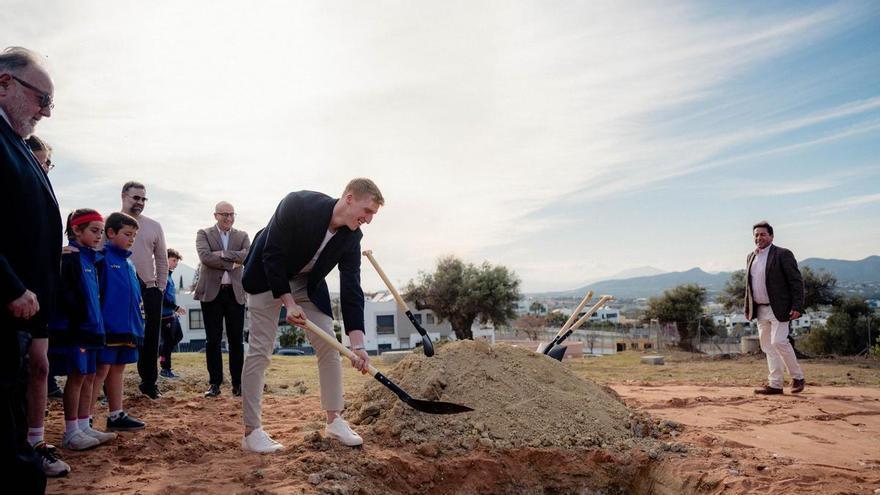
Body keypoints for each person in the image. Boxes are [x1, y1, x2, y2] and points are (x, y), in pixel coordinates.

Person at [240, 178, 383, 453]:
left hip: (307, 284)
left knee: (330, 347)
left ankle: (334, 420)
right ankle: (251, 432)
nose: (368, 219)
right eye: (367, 211)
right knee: (260, 350)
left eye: (373, 215)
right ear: (349, 198)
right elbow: (272, 254)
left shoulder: (352, 236)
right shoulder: (298, 204)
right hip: (267, 277)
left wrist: (358, 345)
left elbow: (351, 287)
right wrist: (288, 303)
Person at [1, 45, 58, 492]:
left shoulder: (14, 143)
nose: (47, 112)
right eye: (42, 99)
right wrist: (11, 285)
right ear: (5, 85)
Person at [48, 210, 116, 453]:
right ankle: (71, 431)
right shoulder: (69, 259)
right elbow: (66, 297)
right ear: (77, 231)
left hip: (92, 328)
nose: (99, 236)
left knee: (89, 376)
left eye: (101, 231)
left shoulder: (91, 259)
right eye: (94, 231)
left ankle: (84, 424)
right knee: (77, 377)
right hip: (77, 329)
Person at [91, 212, 146, 431]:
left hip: (127, 328)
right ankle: (86, 418)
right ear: (110, 232)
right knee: (100, 370)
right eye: (127, 234)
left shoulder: (129, 263)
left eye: (134, 235)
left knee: (118, 368)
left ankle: (116, 414)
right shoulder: (101, 259)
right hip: (108, 327)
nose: (131, 239)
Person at [195, 202, 250, 397]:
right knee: (213, 341)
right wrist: (232, 262)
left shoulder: (242, 235)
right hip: (212, 293)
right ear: (215, 215)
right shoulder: (204, 234)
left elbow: (246, 256)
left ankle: (238, 384)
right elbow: (205, 258)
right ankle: (215, 384)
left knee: (237, 341)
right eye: (224, 214)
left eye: (231, 214)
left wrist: (222, 255)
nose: (228, 218)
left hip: (235, 293)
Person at [119, 181, 168, 399]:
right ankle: (106, 388)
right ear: (124, 196)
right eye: (135, 197)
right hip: (118, 288)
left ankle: (149, 384)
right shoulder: (109, 222)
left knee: (150, 338)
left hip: (149, 288)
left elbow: (162, 259)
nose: (139, 202)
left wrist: (160, 287)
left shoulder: (154, 226)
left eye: (143, 199)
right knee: (113, 336)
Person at [745, 221, 806, 395]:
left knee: (778, 341)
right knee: (767, 346)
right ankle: (775, 384)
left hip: (780, 308)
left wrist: (797, 306)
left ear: (771, 236)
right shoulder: (751, 256)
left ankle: (798, 377)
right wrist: (748, 307)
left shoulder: (782, 254)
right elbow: (749, 285)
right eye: (756, 235)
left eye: (763, 234)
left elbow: (796, 281)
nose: (759, 238)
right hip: (760, 309)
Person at [25, 135, 62, 400]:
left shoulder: (43, 193)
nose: (46, 168)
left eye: (49, 163)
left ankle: (34, 435)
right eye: (43, 162)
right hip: (19, 288)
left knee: (40, 365)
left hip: (40, 290)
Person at [159, 249, 186, 378]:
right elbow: (161, 297)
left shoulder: (169, 275)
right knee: (168, 341)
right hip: (164, 315)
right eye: (174, 260)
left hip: (171, 314)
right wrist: (175, 308)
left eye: (177, 261)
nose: (176, 263)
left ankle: (162, 353)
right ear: (166, 259)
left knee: (178, 336)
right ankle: (165, 369)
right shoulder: (162, 275)